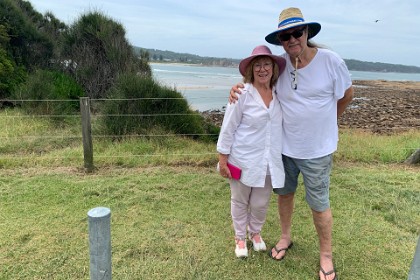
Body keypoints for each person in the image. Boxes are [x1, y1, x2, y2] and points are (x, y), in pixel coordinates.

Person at [229, 7, 354, 280]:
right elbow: (260, 86)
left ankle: (326, 255)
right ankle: (285, 237)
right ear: (281, 41)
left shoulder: (331, 61)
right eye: (286, 36)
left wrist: (328, 121)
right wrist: (237, 88)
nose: (292, 39)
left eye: (297, 32)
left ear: (307, 33)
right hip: (284, 149)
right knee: (284, 196)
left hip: (317, 151)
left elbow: (346, 95)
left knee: (319, 203)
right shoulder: (281, 66)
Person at [217, 45, 286, 258]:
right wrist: (222, 159)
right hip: (242, 158)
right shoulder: (242, 93)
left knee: (260, 203)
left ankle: (255, 232)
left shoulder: (278, 93)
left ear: (273, 68)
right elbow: (228, 127)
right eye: (258, 65)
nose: (263, 69)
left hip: (268, 161)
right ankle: (239, 237)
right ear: (251, 69)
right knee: (239, 200)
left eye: (267, 64)